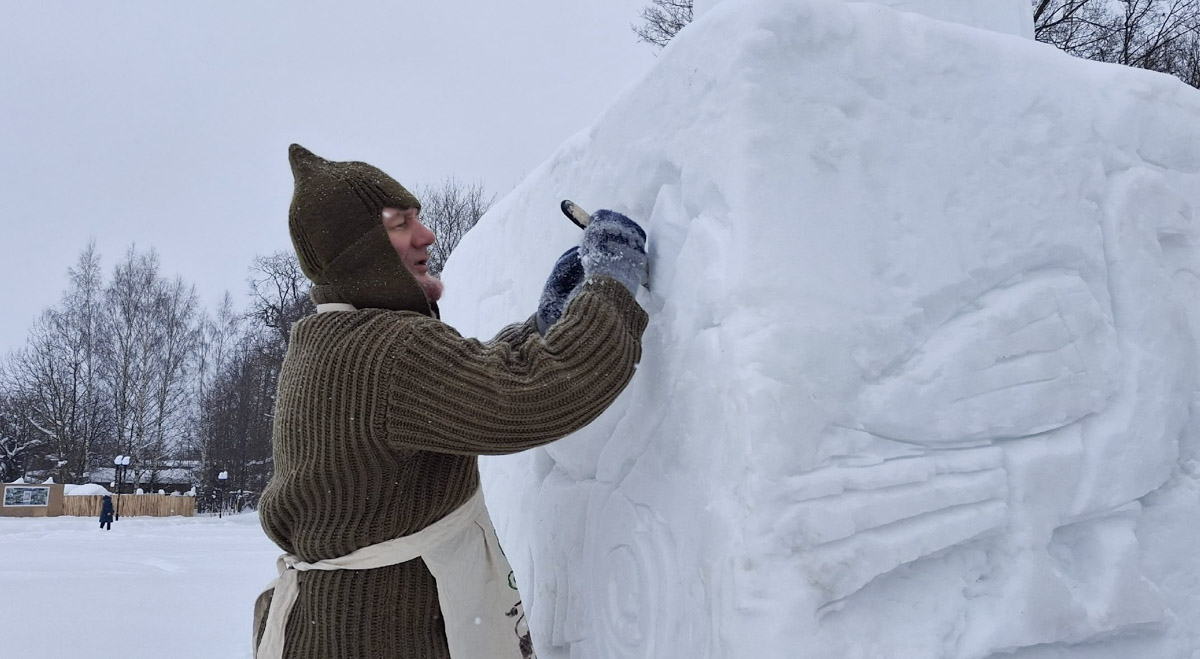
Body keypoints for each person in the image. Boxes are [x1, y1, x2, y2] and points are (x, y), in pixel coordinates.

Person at [252, 145, 649, 659]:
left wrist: (546, 323)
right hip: (383, 633)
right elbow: (531, 396)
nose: (426, 236)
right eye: (400, 225)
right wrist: (610, 289)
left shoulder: (330, 339)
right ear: (361, 250)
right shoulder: (388, 349)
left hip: (331, 628)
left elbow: (453, 384)